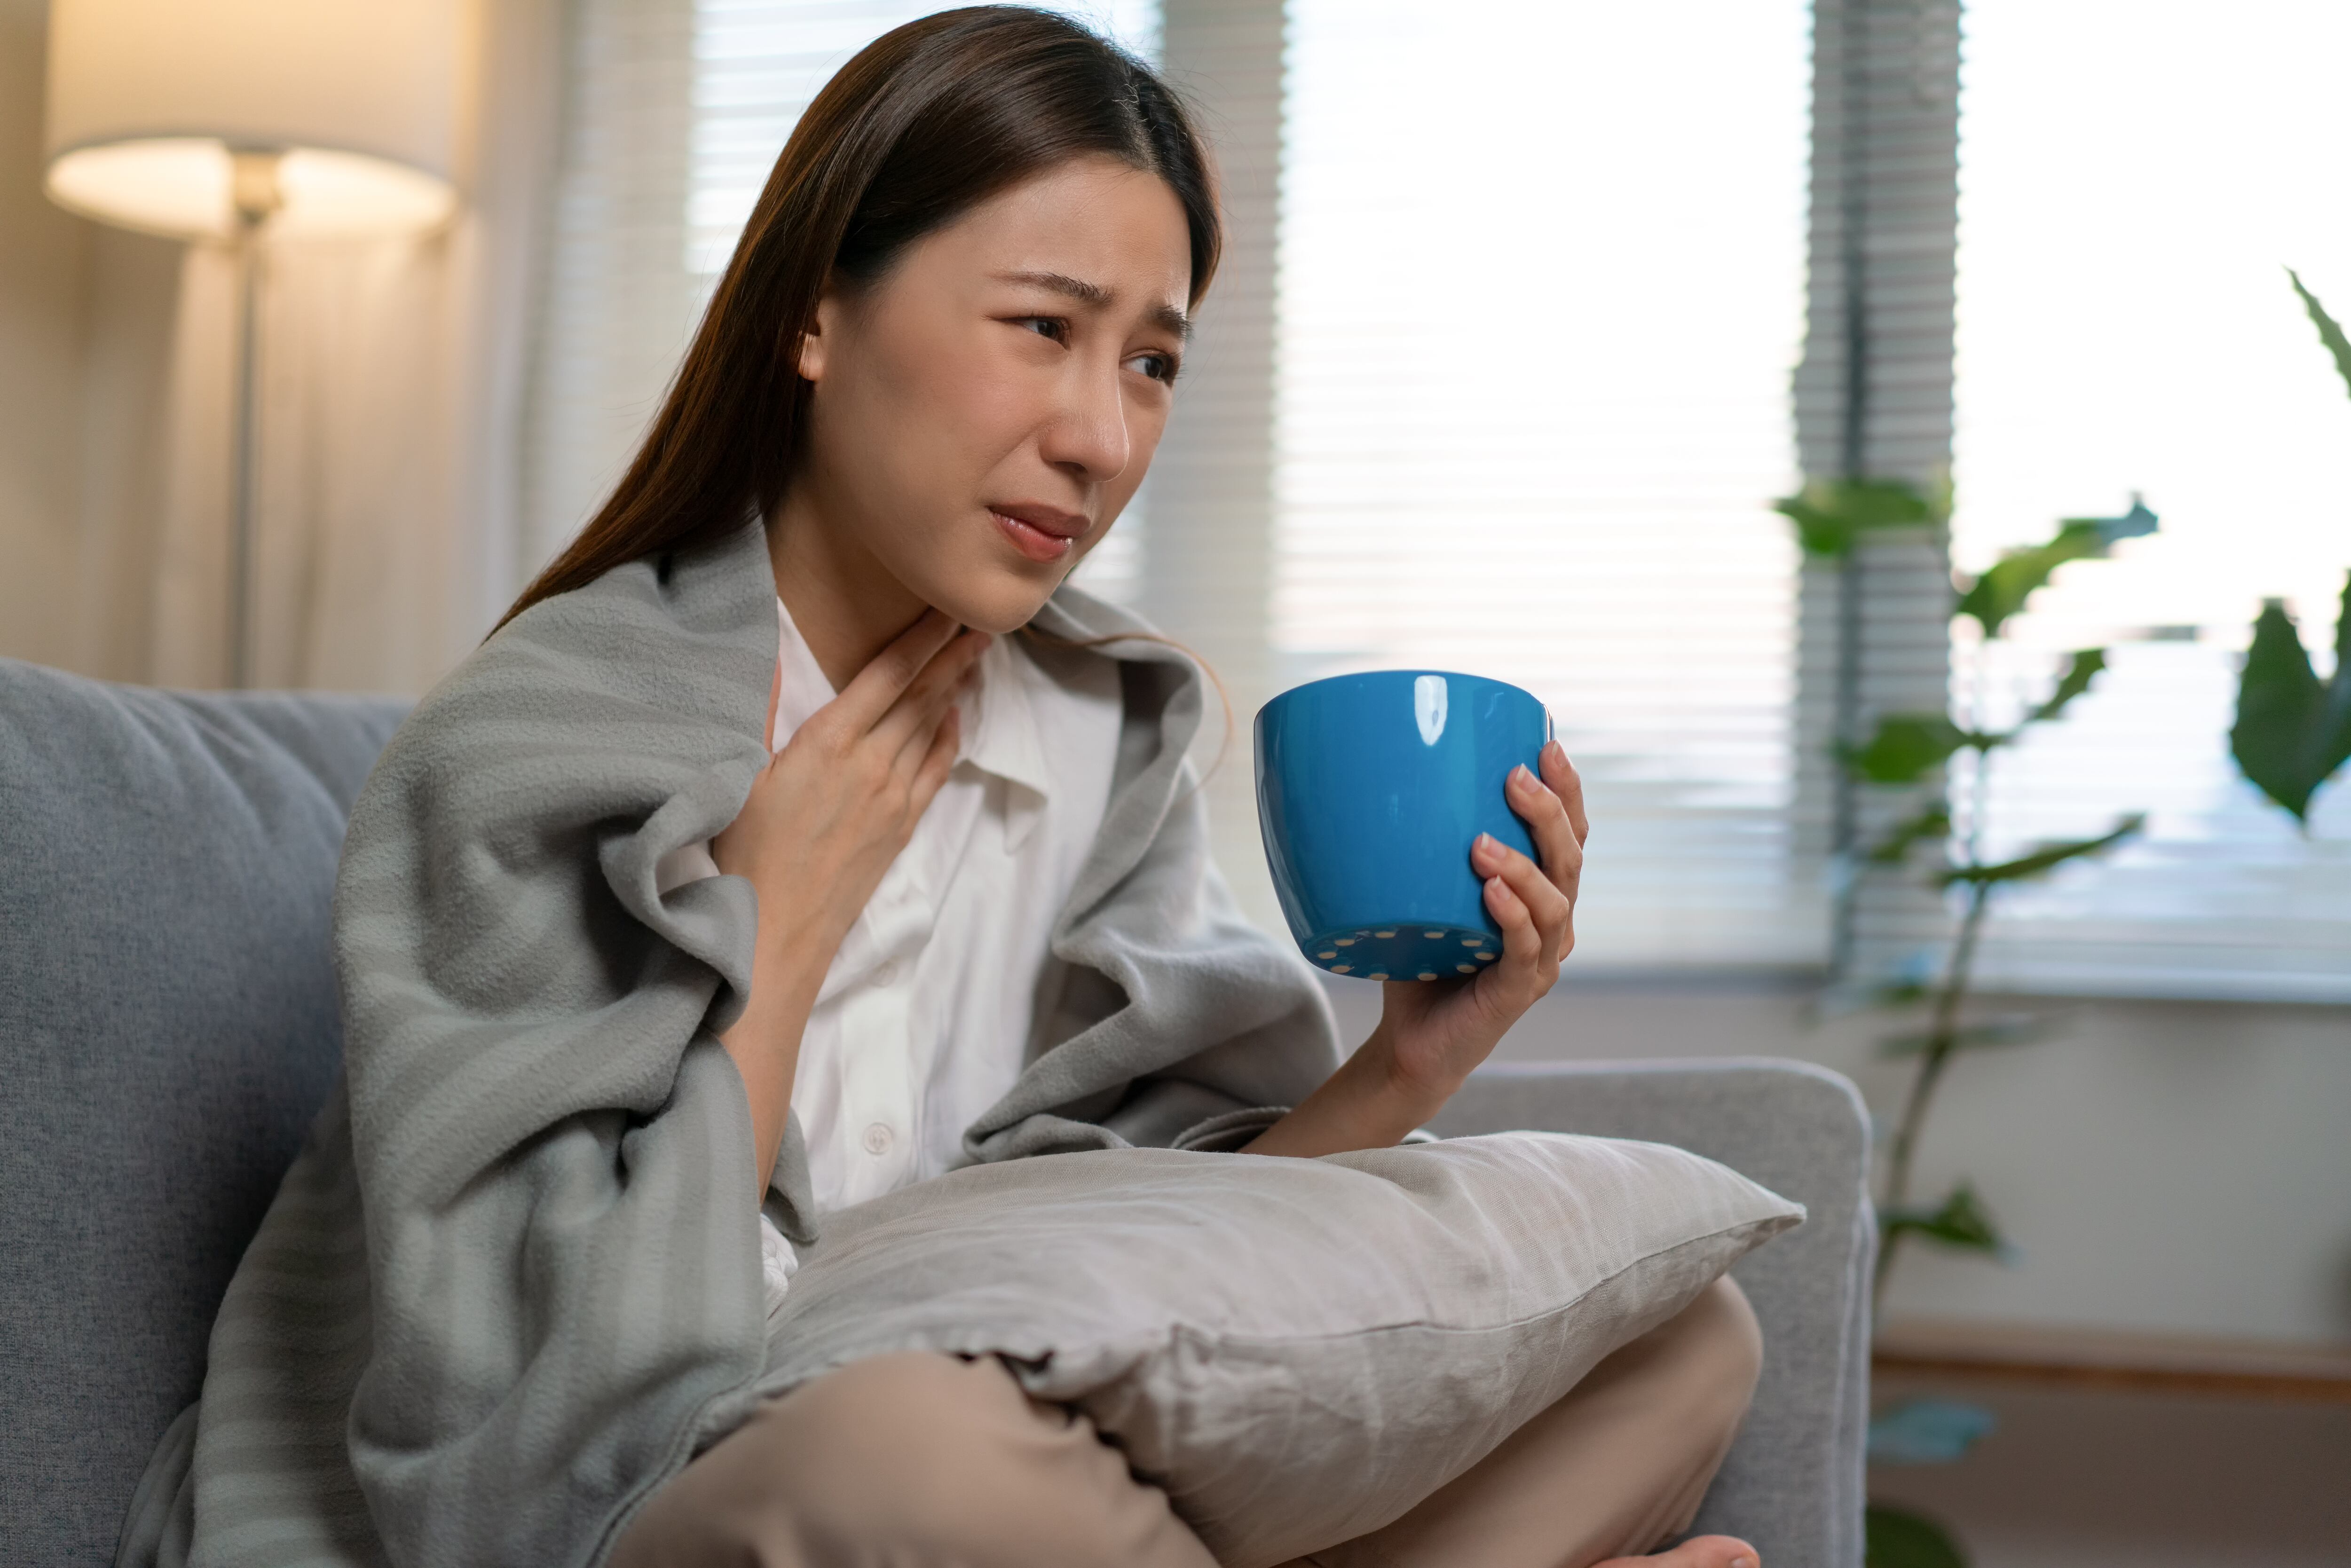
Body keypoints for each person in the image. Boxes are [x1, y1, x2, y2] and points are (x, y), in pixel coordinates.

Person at [121, 9, 1762, 1568]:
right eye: (1043, 329)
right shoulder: (542, 740)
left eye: (1153, 364)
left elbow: (1151, 1286)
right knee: (918, 1454)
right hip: (658, 1496)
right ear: (817, 317)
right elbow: (526, 1442)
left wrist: (1410, 1068)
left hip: (976, 1476)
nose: (1103, 438)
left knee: (1678, 1337)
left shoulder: (1102, 737)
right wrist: (773, 940)